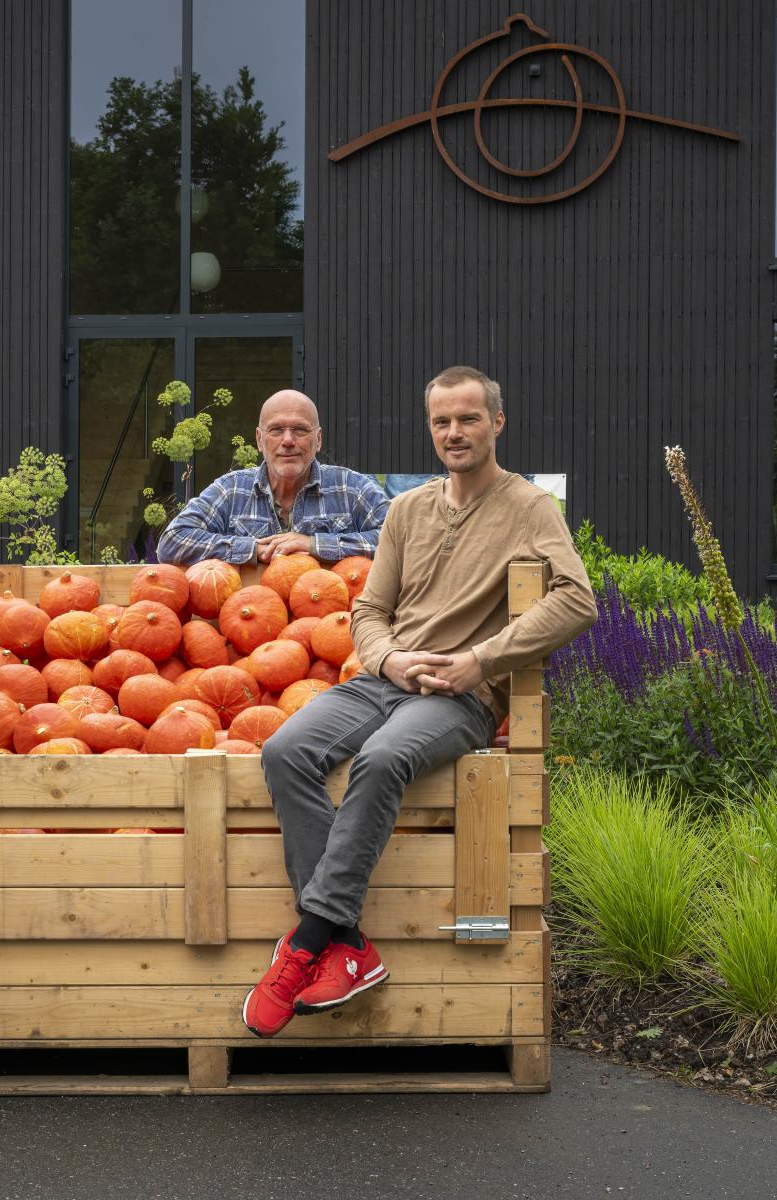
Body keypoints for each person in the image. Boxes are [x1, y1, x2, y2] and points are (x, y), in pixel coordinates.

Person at [244, 365, 596, 1038]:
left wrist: (480, 661)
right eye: (442, 421)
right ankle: (347, 944)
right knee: (286, 749)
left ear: (497, 423)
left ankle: (307, 942)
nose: (454, 432)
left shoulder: (530, 509)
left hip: (461, 696)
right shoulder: (407, 509)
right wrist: (388, 658)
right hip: (387, 679)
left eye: (468, 418)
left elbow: (577, 601)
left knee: (381, 761)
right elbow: (369, 610)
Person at [156, 389, 389, 566]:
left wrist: (315, 544)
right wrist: (252, 549)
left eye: (300, 429)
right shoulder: (231, 490)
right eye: (276, 430)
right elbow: (172, 541)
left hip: (332, 612)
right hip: (248, 613)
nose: (287, 440)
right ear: (259, 440)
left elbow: (399, 540)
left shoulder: (352, 488)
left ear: (318, 440)